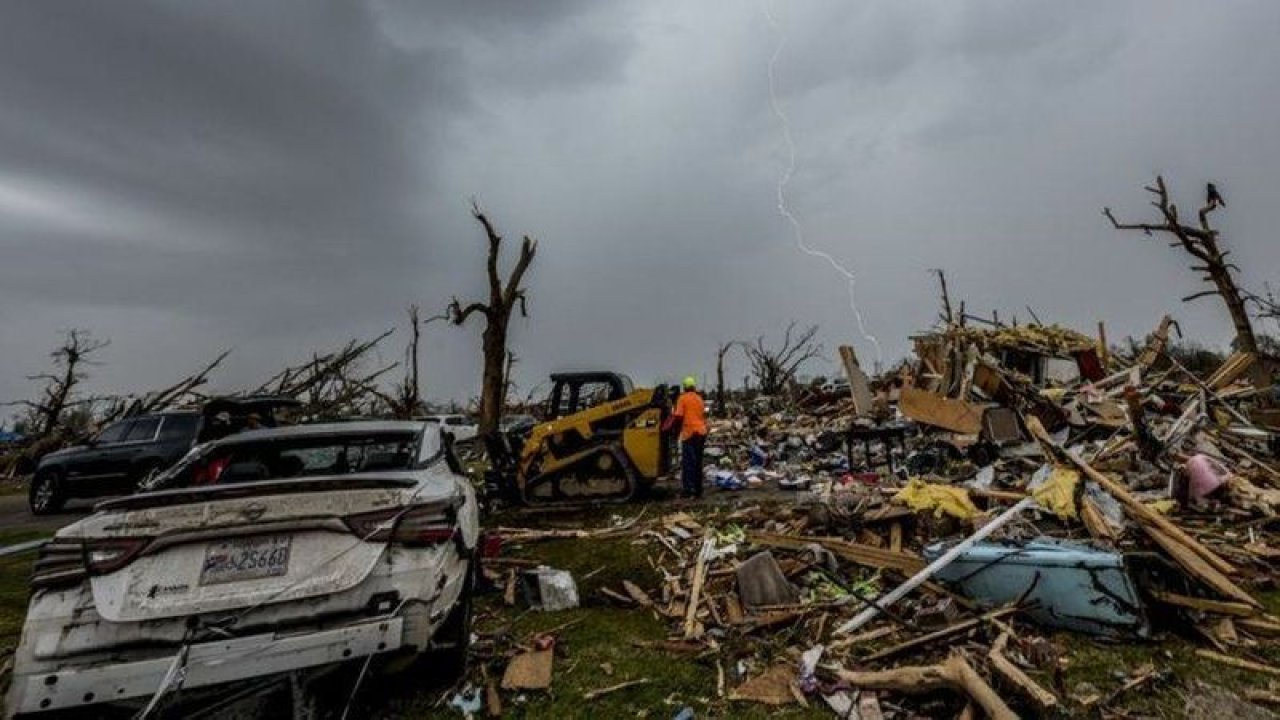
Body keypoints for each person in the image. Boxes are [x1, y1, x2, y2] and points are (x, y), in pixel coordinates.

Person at [668, 376, 708, 499]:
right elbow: (702, 415)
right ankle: (698, 490)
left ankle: (688, 490)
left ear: (684, 387)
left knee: (688, 464)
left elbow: (679, 417)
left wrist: (674, 433)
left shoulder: (682, 398)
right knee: (698, 463)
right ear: (694, 387)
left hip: (689, 434)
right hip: (701, 433)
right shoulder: (699, 398)